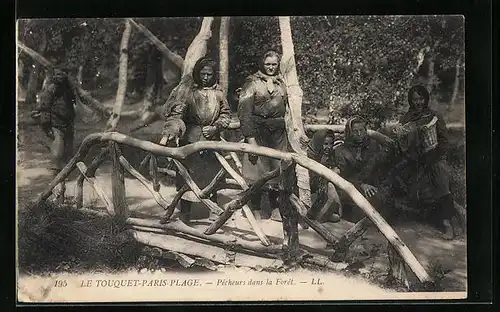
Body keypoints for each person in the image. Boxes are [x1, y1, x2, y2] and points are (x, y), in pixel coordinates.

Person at [238, 49, 300, 263]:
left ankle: (273, 212)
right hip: (258, 131)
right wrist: (250, 139)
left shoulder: (283, 83)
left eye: (274, 64)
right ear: (262, 63)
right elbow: (244, 112)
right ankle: (255, 212)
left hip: (278, 133)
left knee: (276, 173)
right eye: (268, 64)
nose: (271, 67)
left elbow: (289, 109)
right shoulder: (251, 82)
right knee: (257, 172)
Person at [160, 57, 231, 224]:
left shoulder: (219, 93)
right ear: (198, 74)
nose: (206, 77)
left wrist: (217, 126)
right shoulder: (189, 92)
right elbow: (177, 114)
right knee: (187, 178)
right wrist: (172, 131)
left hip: (212, 140)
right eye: (203, 74)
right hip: (191, 140)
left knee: (212, 177)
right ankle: (185, 215)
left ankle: (213, 214)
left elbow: (226, 114)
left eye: (209, 74)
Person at [391, 85, 461, 240]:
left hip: (436, 157)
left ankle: (448, 224)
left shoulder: (434, 116)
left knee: (441, 178)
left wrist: (435, 156)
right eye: (415, 99)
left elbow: (444, 142)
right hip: (416, 161)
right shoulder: (406, 119)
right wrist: (401, 135)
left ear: (426, 99)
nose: (418, 102)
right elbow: (403, 145)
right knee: (423, 189)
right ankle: (451, 221)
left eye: (421, 98)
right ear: (410, 100)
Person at [30, 66, 76, 203]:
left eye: (63, 73)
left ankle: (62, 194)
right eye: (57, 74)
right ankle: (54, 194)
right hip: (56, 127)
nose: (60, 76)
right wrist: (47, 127)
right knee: (57, 158)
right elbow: (44, 108)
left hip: (68, 126)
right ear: (54, 76)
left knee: (68, 158)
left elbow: (74, 102)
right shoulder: (51, 89)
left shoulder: (68, 88)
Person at [334, 116, 392, 223]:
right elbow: (342, 177)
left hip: (371, 185)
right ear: (349, 132)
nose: (359, 134)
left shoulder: (373, 146)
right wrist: (361, 185)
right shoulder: (341, 150)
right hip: (350, 187)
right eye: (355, 131)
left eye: (362, 130)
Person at [306, 129, 343, 223]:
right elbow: (311, 179)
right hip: (309, 192)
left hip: (321, 190)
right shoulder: (309, 156)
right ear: (319, 143)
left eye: (331, 144)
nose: (329, 147)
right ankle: (318, 215)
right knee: (330, 185)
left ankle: (328, 212)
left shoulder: (328, 156)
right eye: (325, 144)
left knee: (331, 186)